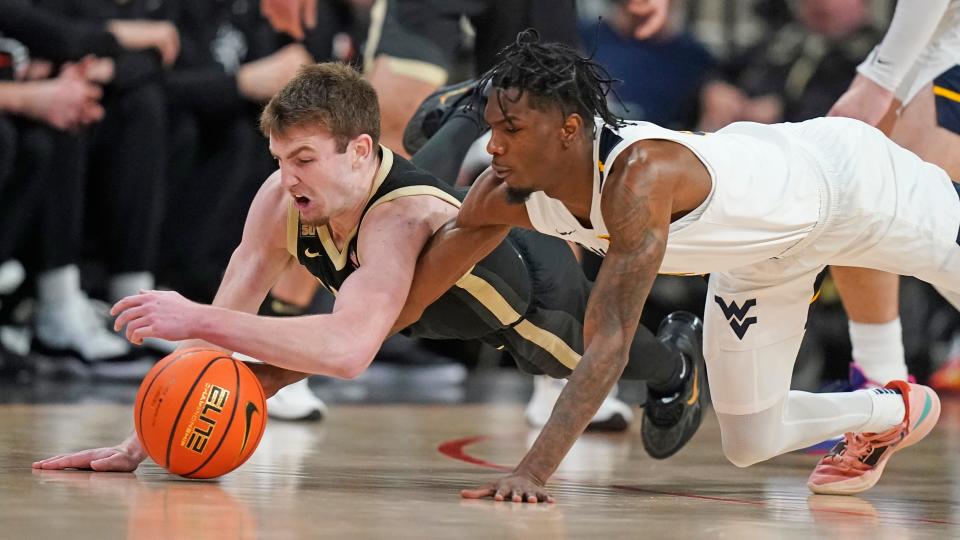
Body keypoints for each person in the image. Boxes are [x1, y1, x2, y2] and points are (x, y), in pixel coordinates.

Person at [32, 61, 706, 473]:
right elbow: (221, 328)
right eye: (279, 159)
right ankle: (467, 110)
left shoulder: (396, 222)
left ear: (356, 149)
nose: (287, 179)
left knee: (584, 354)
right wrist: (137, 443)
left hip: (522, 295)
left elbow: (350, 350)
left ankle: (678, 362)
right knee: (411, 190)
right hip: (408, 279)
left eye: (303, 161)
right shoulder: (284, 197)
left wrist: (192, 315)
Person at [391, 31, 954, 501]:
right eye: (490, 128)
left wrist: (532, 473)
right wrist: (309, 353)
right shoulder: (501, 192)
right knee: (751, 440)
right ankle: (889, 412)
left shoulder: (639, 177)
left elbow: (608, 344)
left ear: (567, 130)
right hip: (759, 258)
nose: (492, 147)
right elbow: (410, 297)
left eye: (509, 130)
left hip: (846, 185)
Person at [826, 0, 960, 390]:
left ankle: (885, 395)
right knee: (853, 187)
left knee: (904, 213)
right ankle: (882, 391)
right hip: (930, 32)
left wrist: (879, 79)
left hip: (941, 38)